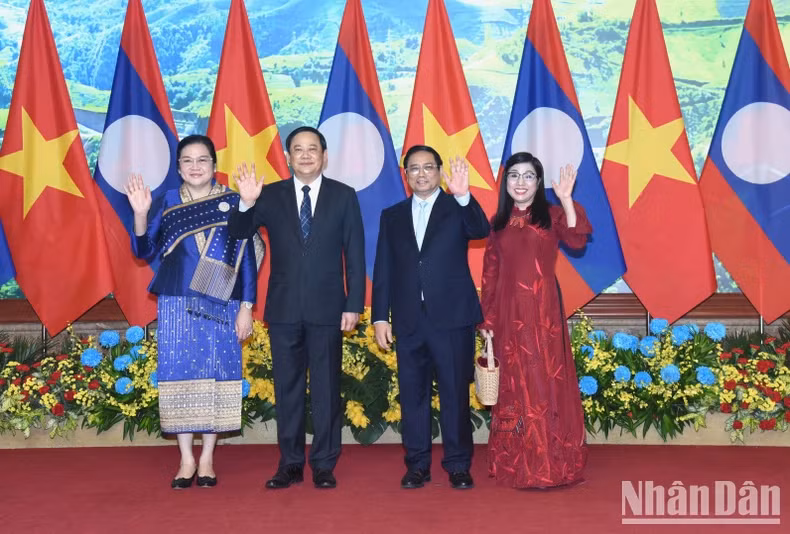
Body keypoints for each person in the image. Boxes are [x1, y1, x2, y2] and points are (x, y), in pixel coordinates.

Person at [229, 126, 365, 490]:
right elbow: (238, 237)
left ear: (324, 155)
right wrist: (245, 203)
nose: (305, 155)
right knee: (286, 389)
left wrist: (353, 303)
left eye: (312, 149)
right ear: (287, 157)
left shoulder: (343, 195)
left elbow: (354, 254)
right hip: (285, 307)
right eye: (298, 150)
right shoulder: (269, 195)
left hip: (328, 308)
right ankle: (289, 463)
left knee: (325, 389)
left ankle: (323, 464)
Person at [125, 134, 263, 489]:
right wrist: (140, 214)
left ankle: (207, 458)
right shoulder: (167, 201)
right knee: (179, 374)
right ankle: (186, 458)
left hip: (223, 301)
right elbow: (144, 250)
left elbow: (247, 257)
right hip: (176, 301)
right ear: (178, 167)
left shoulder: (234, 201)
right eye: (188, 160)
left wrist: (246, 307)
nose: (196, 166)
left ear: (215, 166)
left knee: (217, 374)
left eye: (203, 160)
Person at [372, 145, 490, 490]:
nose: (421, 174)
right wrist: (380, 316)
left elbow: (481, 229)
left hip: (452, 317)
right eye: (414, 169)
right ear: (405, 174)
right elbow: (383, 269)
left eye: (428, 167)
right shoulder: (392, 215)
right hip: (409, 320)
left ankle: (457, 465)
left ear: (439, 171)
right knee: (413, 396)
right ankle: (417, 465)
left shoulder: (458, 207)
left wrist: (465, 194)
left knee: (454, 393)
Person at [479, 151, 590, 488]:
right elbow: (490, 277)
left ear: (539, 183)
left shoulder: (552, 215)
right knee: (514, 385)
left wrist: (568, 199)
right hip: (508, 315)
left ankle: (551, 463)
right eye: (514, 175)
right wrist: (487, 323)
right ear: (506, 182)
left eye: (529, 176)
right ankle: (516, 462)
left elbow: (577, 238)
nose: (521, 182)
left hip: (544, 314)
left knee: (545, 382)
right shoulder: (497, 223)